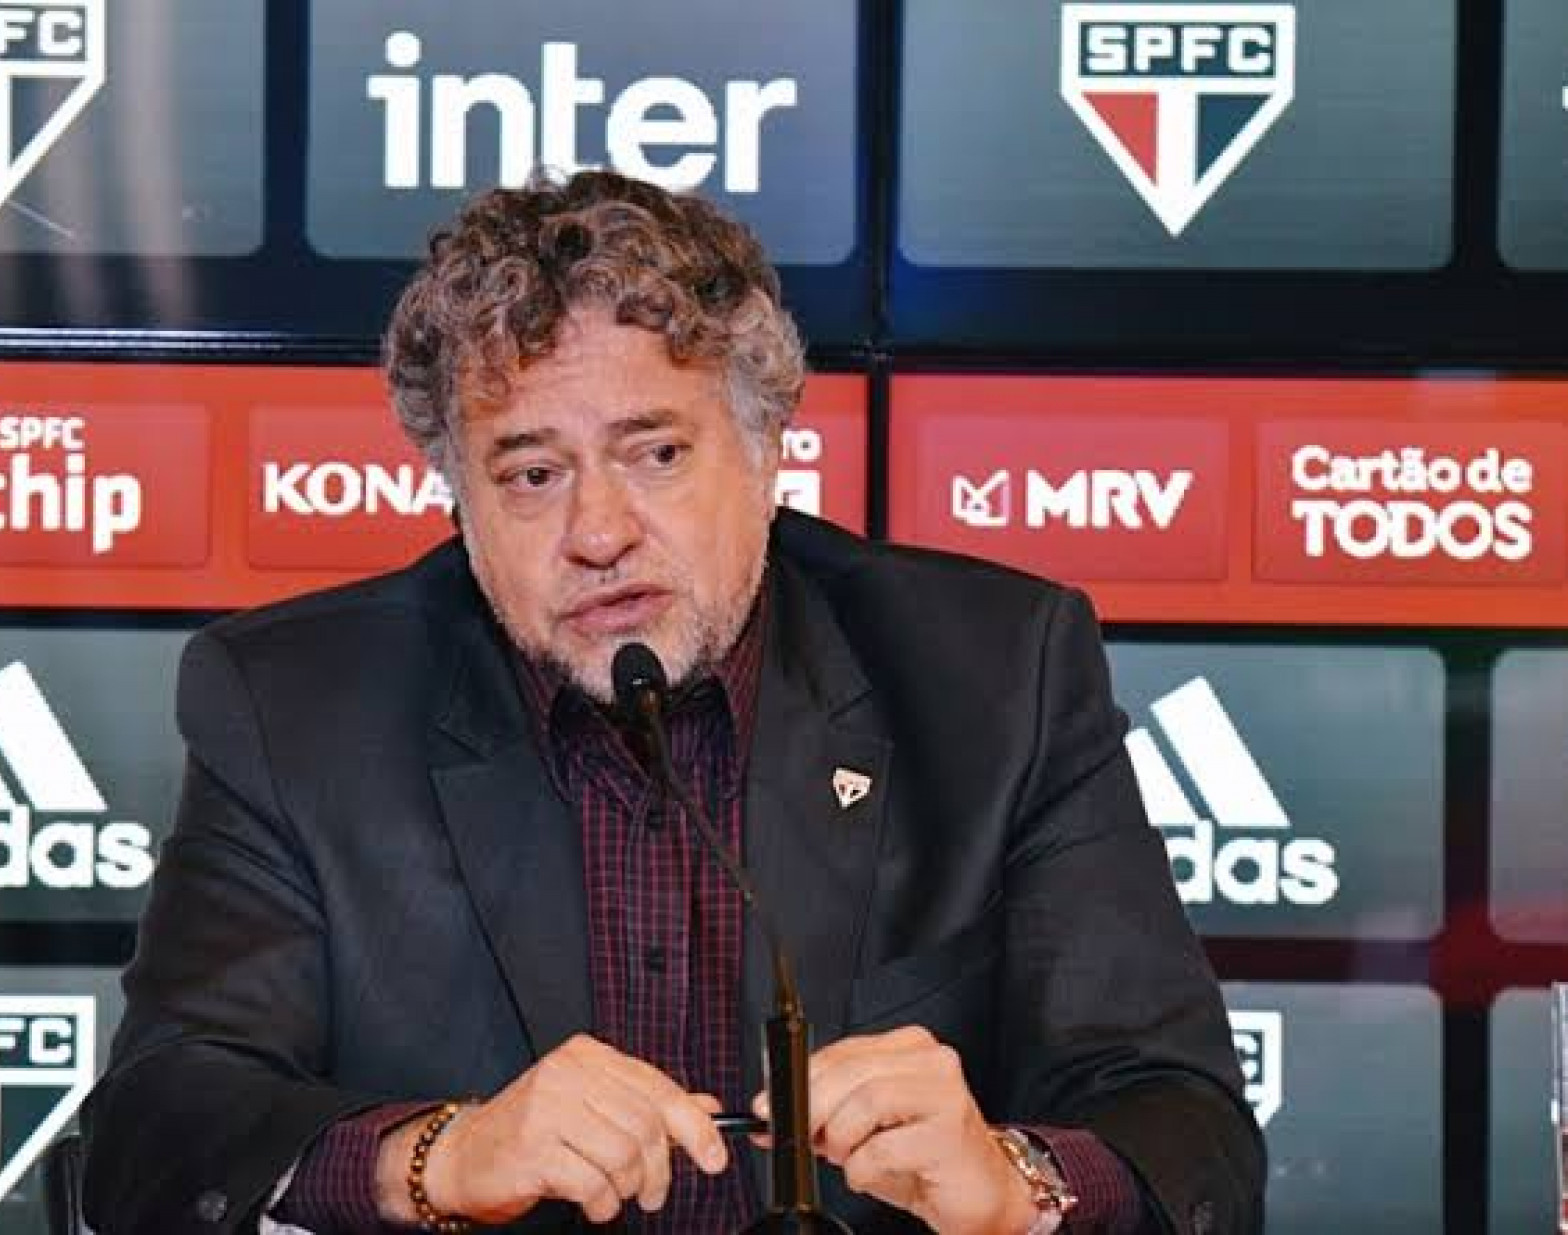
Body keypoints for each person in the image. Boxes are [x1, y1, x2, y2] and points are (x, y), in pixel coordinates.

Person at [80, 170, 1263, 1235]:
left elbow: (1187, 1129)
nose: (598, 532)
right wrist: (435, 1157)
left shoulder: (994, 676)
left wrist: (1017, 1182)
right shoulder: (297, 704)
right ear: (458, 502)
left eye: (656, 453)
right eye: (531, 473)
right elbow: (155, 1134)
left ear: (767, 451)